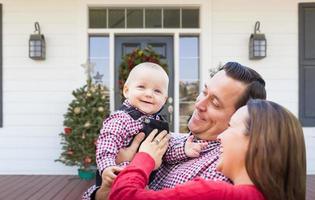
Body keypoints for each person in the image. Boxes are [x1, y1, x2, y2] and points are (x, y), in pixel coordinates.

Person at [85, 62, 267, 199]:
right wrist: (102, 189)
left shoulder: (220, 171)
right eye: (204, 92)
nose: (198, 104)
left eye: (215, 103)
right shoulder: (175, 140)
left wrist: (139, 161)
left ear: (239, 115)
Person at [109, 99, 307, 200]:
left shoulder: (214, 193)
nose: (220, 136)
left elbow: (123, 196)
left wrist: (144, 157)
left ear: (254, 142)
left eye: (231, 126)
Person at [83, 62, 206, 200]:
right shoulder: (121, 118)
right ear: (126, 90)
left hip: (144, 185)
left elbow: (165, 150)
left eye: (157, 91)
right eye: (141, 87)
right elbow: (106, 144)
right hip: (117, 179)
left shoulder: (159, 123)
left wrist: (184, 149)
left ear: (164, 99)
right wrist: (107, 167)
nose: (149, 94)